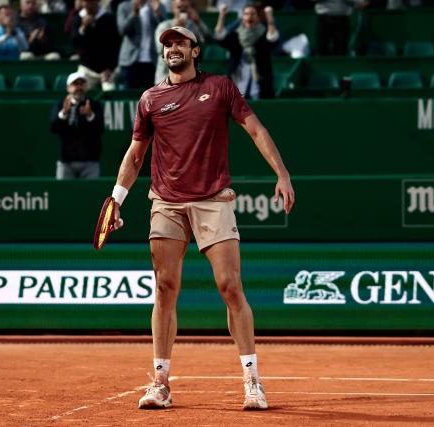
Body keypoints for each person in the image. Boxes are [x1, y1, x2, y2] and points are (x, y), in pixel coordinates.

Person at [106, 26, 294, 410]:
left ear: (195, 50)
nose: (172, 48)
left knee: (230, 286)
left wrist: (282, 173)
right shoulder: (150, 99)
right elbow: (135, 154)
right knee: (165, 287)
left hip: (214, 199)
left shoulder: (221, 87)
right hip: (166, 202)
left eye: (179, 43)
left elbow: (255, 130)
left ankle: (252, 379)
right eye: (167, 44)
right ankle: (160, 382)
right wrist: (116, 200)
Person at [215, 2, 279, 99]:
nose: (249, 17)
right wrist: (222, 16)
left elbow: (273, 40)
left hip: (260, 84)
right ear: (242, 17)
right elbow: (220, 37)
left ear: (257, 17)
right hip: (238, 82)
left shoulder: (263, 34)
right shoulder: (236, 35)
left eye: (253, 14)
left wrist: (270, 19)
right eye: (246, 14)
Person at [50, 72, 104, 179]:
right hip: (66, 162)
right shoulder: (60, 105)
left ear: (86, 87)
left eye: (82, 84)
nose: (79, 87)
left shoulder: (94, 105)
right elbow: (53, 127)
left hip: (90, 162)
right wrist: (64, 113)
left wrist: (90, 115)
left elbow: (100, 128)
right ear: (68, 88)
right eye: (75, 84)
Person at [154, 0, 209, 84]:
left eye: (186, 7)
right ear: (173, 9)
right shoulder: (164, 26)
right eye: (179, 7)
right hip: (165, 78)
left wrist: (198, 22)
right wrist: (176, 29)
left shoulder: (192, 26)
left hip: (189, 80)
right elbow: (160, 49)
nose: (182, 10)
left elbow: (205, 44)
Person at [70, 0, 121, 90]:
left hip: (106, 70)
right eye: (85, 2)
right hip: (86, 68)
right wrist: (83, 28)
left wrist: (109, 69)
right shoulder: (78, 19)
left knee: (110, 91)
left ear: (97, 2)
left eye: (90, 1)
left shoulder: (108, 18)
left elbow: (115, 46)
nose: (87, 4)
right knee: (79, 90)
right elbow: (74, 43)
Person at [117, 0, 167, 89]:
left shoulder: (158, 6)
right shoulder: (124, 6)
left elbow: (165, 30)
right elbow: (122, 30)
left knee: (151, 99)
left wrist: (157, 14)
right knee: (129, 96)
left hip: (151, 61)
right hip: (130, 61)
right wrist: (133, 15)